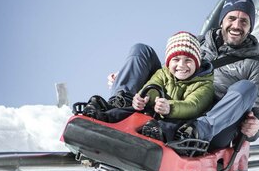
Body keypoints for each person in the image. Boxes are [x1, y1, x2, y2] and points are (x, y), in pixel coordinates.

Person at [105, 0, 259, 150]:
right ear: (221, 21)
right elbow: (167, 72)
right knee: (141, 50)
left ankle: (195, 131)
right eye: (232, 18)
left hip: (212, 123)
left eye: (244, 21)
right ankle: (119, 106)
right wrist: (131, 76)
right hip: (171, 103)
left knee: (247, 87)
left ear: (250, 27)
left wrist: (257, 126)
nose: (236, 25)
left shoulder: (256, 65)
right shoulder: (197, 42)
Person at [80, 32, 215, 146]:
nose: (182, 65)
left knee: (172, 126)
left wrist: (170, 108)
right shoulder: (164, 72)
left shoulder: (204, 84)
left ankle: (157, 134)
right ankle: (103, 115)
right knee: (133, 111)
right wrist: (142, 98)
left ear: (197, 63)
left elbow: (193, 106)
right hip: (155, 113)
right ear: (169, 62)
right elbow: (152, 85)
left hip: (179, 117)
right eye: (176, 59)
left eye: (188, 60)